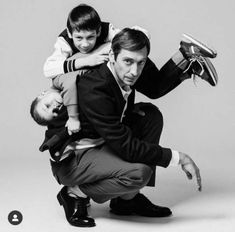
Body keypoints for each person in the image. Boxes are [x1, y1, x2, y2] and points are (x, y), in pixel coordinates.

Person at [31, 29, 217, 227]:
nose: (134, 71)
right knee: (139, 173)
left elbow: (155, 87)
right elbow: (125, 145)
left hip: (102, 138)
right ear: (112, 56)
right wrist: (178, 158)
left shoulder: (131, 64)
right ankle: (74, 192)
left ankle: (126, 200)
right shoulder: (94, 87)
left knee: (150, 116)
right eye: (128, 61)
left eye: (141, 62)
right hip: (76, 156)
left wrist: (184, 61)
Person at [43, 3, 120, 134]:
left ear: (99, 31)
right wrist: (86, 60)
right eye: (79, 38)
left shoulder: (106, 30)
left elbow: (137, 37)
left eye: (90, 37)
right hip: (93, 85)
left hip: (108, 79)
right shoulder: (64, 41)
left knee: (129, 56)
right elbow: (48, 69)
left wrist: (104, 48)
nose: (84, 44)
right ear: (70, 33)